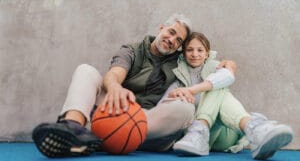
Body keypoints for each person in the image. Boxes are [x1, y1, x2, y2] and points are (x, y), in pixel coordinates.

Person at [31, 13, 238, 158]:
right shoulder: (132, 50)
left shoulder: (179, 60)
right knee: (86, 70)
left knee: (185, 107)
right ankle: (73, 127)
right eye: (171, 32)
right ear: (161, 28)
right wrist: (115, 88)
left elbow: (202, 56)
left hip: (149, 124)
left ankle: (102, 140)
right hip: (115, 110)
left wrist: (228, 64)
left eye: (178, 40)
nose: (172, 40)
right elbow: (113, 74)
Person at [161, 32, 294, 160]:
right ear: (184, 53)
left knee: (218, 83)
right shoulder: (177, 81)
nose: (195, 54)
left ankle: (251, 129)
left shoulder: (217, 68)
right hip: (190, 136)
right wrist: (178, 98)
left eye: (200, 50)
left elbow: (228, 75)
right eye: (190, 50)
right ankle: (254, 128)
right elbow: (163, 109)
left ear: (207, 53)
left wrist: (191, 90)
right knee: (218, 87)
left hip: (225, 135)